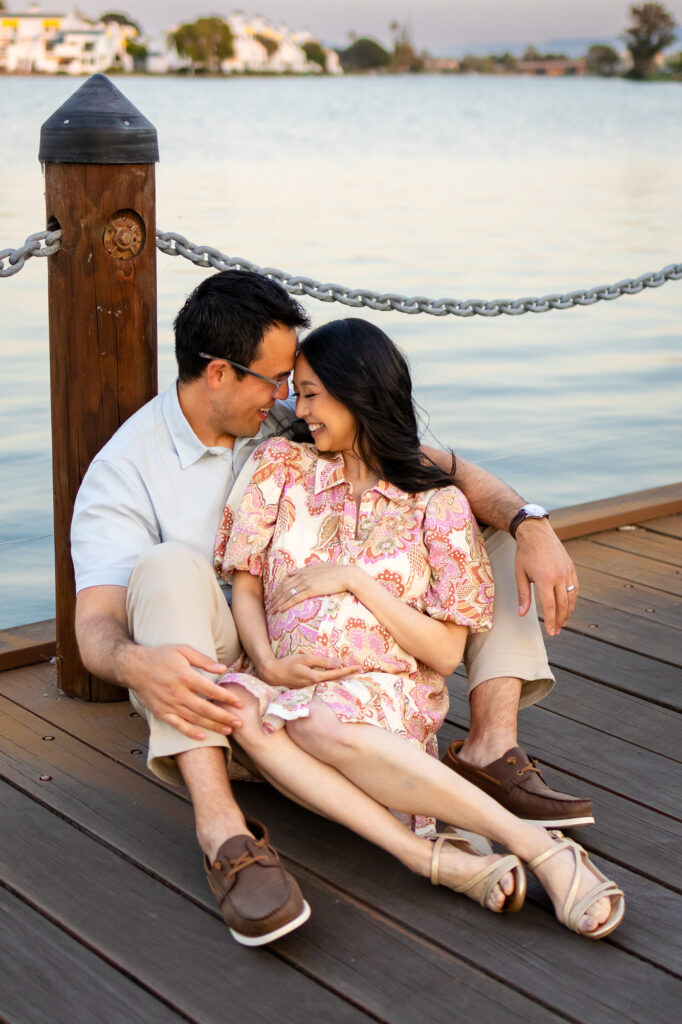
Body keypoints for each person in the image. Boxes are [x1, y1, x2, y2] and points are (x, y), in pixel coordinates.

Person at [71, 270, 590, 947]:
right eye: (276, 378)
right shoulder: (126, 473)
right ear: (220, 373)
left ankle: (493, 745)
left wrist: (531, 523)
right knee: (168, 565)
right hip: (211, 665)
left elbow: (436, 467)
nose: (289, 395)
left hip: (333, 656)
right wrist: (139, 664)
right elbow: (96, 630)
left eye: (298, 383)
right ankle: (225, 834)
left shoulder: (289, 422)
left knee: (483, 524)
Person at [212, 317, 624, 940]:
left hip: (385, 693)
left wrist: (356, 580)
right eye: (296, 391)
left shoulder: (437, 504)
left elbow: (441, 649)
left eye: (313, 392)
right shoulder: (281, 467)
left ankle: (532, 847)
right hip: (285, 678)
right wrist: (266, 664)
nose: (299, 407)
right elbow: (245, 583)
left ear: (359, 394)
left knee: (310, 720)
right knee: (242, 703)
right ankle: (432, 856)